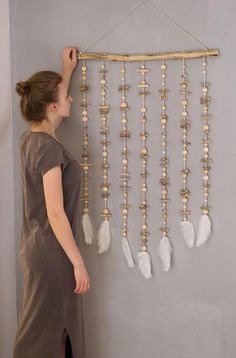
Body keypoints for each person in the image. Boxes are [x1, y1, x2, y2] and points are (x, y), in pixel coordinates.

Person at [13, 47, 90, 358]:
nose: (71, 99)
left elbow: (55, 99)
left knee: (53, 331)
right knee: (45, 336)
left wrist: (66, 73)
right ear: (53, 106)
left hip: (37, 247)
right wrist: (78, 262)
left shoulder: (30, 139)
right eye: (65, 96)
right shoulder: (47, 149)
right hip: (52, 251)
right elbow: (56, 213)